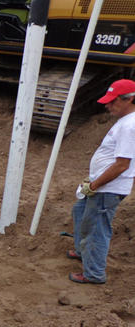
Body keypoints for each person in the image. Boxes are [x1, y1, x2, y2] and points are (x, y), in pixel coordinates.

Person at [68, 79, 135, 284]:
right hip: (102, 185)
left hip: (108, 189)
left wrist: (94, 185)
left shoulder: (130, 126)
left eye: (112, 101)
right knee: (79, 211)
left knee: (96, 229)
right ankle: (82, 251)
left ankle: (94, 273)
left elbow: (121, 164)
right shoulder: (125, 121)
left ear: (130, 99)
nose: (107, 105)